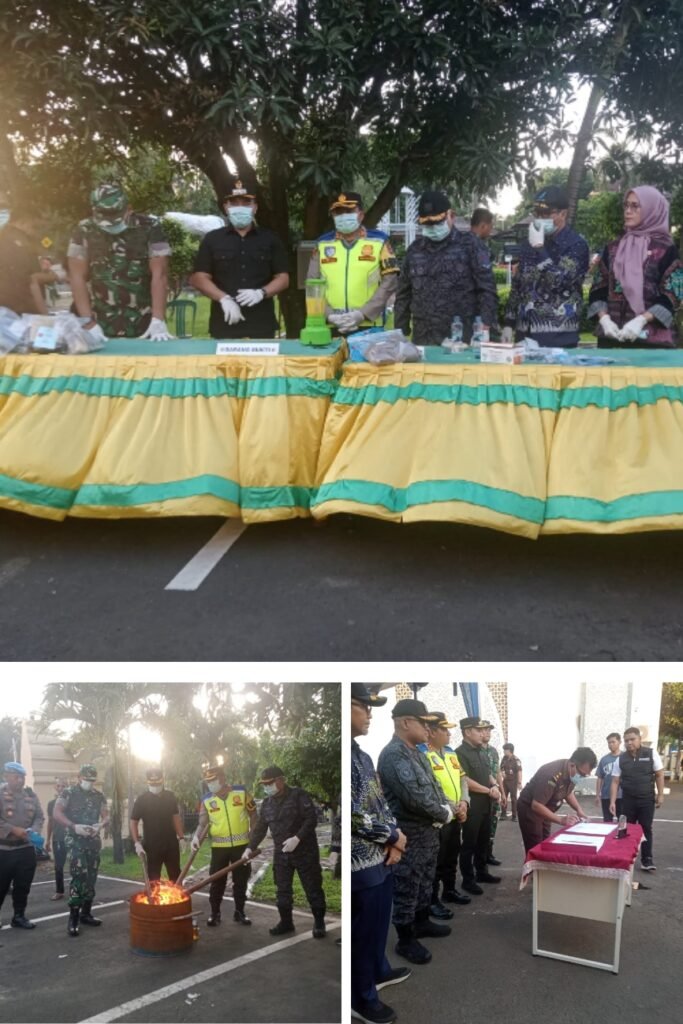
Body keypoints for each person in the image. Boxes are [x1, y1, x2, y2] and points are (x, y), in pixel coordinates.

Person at [377, 699, 452, 965]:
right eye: (424, 723)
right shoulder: (393, 755)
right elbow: (414, 797)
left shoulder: (416, 752)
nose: (429, 730)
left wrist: (447, 806)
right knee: (407, 885)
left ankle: (422, 922)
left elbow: (433, 786)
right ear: (406, 722)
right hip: (409, 835)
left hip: (427, 833)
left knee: (425, 880)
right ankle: (405, 939)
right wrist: (444, 813)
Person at [351, 684, 410, 1024]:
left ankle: (378, 971)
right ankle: (361, 997)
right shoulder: (346, 758)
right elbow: (352, 815)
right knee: (363, 933)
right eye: (364, 706)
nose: (370, 714)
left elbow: (379, 803)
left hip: (382, 857)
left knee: (377, 926)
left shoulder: (362, 756)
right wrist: (391, 835)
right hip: (361, 861)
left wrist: (395, 838)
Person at [68, 183, 172, 341]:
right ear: (94, 210)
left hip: (144, 323)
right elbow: (76, 276)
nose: (111, 223)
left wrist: (158, 319)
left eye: (115, 217)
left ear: (128, 208)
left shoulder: (151, 227)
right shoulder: (83, 230)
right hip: (100, 323)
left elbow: (160, 274)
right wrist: (88, 322)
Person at [394, 189, 498, 345]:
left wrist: (485, 325)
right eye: (427, 224)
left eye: (437, 223)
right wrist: (400, 331)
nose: (433, 227)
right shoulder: (415, 250)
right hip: (424, 339)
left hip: (462, 340)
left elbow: (487, 288)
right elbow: (403, 293)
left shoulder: (470, 246)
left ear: (451, 216)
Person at [189, 180, 289, 339]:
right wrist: (223, 298)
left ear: (255, 207)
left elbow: (283, 278)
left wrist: (261, 293)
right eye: (234, 203)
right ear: (226, 207)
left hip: (262, 323)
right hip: (224, 321)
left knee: (263, 357)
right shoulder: (213, 239)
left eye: (246, 203)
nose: (240, 207)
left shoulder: (270, 239)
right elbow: (198, 278)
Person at [588, 185, 682, 348]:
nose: (628, 211)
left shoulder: (666, 250)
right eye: (626, 205)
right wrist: (604, 319)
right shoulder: (612, 248)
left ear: (652, 210)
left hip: (652, 343)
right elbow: (598, 289)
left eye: (635, 206)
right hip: (612, 339)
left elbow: (672, 295)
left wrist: (641, 320)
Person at [502, 185, 589, 348]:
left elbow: (559, 282)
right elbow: (518, 285)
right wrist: (508, 323)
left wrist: (540, 249)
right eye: (537, 214)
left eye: (546, 214)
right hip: (525, 334)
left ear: (563, 214)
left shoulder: (576, 245)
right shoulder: (529, 243)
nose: (540, 219)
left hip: (558, 336)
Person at [245, 765, 327, 938]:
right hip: (281, 853)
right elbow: (260, 829)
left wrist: (297, 838)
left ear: (280, 780)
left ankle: (319, 922)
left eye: (269, 783)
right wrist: (249, 847)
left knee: (312, 887)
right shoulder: (267, 804)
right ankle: (286, 922)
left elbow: (311, 819)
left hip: (305, 851)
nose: (266, 787)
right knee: (282, 890)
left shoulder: (298, 795)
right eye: (264, 784)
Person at [307, 191, 399, 335]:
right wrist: (329, 315)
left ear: (361, 215)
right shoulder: (322, 244)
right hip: (331, 325)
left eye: (348, 211)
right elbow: (312, 284)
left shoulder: (379, 241)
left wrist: (363, 314)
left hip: (369, 324)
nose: (343, 216)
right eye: (338, 212)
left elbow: (390, 281)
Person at [418, 713, 471, 914]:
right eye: (444, 730)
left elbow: (462, 779)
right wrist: (453, 807)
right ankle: (431, 900)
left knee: (451, 856)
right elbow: (431, 788)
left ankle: (449, 890)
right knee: (436, 861)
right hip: (438, 817)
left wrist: (464, 802)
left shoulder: (450, 752)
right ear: (431, 732)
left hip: (456, 815)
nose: (449, 734)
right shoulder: (422, 754)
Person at [192, 764, 256, 926]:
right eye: (208, 781)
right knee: (217, 881)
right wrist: (195, 837)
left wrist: (253, 836)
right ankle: (215, 914)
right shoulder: (206, 800)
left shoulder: (241, 792)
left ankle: (240, 912)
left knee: (241, 881)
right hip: (219, 848)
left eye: (213, 780)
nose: (210, 784)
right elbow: (202, 823)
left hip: (241, 846)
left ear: (223, 778)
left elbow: (254, 814)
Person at [53, 763, 109, 936]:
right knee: (79, 876)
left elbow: (106, 815)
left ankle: (86, 913)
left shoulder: (98, 795)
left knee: (91, 876)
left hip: (93, 841)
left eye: (92, 780)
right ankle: (74, 917)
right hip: (75, 840)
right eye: (86, 779)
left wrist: (101, 824)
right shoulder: (68, 793)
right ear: (79, 777)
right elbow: (57, 812)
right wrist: (73, 826)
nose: (89, 783)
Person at [454, 718, 503, 894]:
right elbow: (464, 780)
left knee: (483, 841)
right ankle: (468, 880)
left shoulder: (481, 751)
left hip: (486, 805)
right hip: (472, 806)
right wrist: (488, 791)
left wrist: (495, 785)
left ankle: (482, 872)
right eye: (478, 730)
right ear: (467, 732)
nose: (483, 733)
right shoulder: (459, 753)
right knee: (469, 844)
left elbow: (488, 774)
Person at [516, 748, 596, 853]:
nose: (581, 777)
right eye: (581, 774)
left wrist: (579, 810)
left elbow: (567, 792)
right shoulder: (551, 774)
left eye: (585, 775)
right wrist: (561, 820)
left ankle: (542, 863)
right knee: (535, 847)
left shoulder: (571, 773)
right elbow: (536, 805)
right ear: (572, 765)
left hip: (545, 809)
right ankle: (532, 864)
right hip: (530, 810)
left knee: (545, 844)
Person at [609, 727, 664, 871]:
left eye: (632, 739)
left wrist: (660, 795)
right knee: (626, 828)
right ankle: (625, 858)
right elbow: (615, 781)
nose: (629, 743)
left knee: (646, 828)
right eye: (626, 740)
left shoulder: (651, 754)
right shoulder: (621, 759)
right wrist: (612, 801)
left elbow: (659, 774)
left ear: (640, 739)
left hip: (647, 799)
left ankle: (647, 860)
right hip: (628, 801)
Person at [0, 761, 44, 929]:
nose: (20, 780)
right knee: (1, 886)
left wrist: (34, 830)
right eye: (16, 777)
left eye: (22, 777)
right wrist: (12, 829)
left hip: (25, 849)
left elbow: (39, 816)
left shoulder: (30, 795)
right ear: (6, 776)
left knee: (22, 885)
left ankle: (19, 916)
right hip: (4, 850)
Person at [130, 768, 184, 883]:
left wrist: (181, 837)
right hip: (152, 845)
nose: (155, 786)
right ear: (148, 782)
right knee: (154, 879)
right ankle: (154, 895)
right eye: (152, 783)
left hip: (170, 843)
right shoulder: (142, 800)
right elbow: (134, 821)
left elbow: (175, 817)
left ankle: (178, 894)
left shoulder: (170, 796)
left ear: (162, 780)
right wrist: (137, 843)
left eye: (157, 782)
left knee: (176, 875)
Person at [0, 199, 49, 315]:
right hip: (19, 311)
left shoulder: (6, 237)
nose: (36, 233)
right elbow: (27, 281)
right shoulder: (18, 243)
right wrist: (42, 314)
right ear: (24, 221)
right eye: (35, 227)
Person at [480, 721, 505, 865]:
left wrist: (502, 792)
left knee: (492, 823)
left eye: (489, 730)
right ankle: (480, 856)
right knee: (480, 827)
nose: (487, 733)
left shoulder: (493, 751)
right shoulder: (476, 751)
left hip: (495, 794)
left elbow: (497, 773)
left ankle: (488, 854)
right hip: (481, 793)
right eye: (484, 730)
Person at [46, 777, 68, 900]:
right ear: (55, 787)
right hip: (58, 839)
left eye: (63, 786)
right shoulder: (51, 804)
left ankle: (77, 890)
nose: (61, 788)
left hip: (72, 839)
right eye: (58, 786)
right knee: (58, 866)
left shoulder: (72, 803)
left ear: (67, 787)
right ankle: (59, 891)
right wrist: (48, 840)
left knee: (76, 866)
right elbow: (50, 822)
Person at [595, 733, 623, 823]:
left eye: (613, 742)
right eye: (609, 743)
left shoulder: (625, 757)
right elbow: (600, 778)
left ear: (620, 742)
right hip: (606, 795)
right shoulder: (604, 759)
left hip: (622, 796)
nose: (611, 744)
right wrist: (597, 795)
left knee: (622, 821)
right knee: (607, 822)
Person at [500, 743, 522, 821]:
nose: (504, 751)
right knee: (503, 797)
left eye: (505, 750)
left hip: (513, 782)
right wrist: (502, 772)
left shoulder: (516, 760)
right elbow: (501, 767)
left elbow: (519, 771)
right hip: (505, 781)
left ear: (509, 750)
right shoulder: (504, 758)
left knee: (513, 799)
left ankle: (514, 816)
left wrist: (519, 782)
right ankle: (503, 814)